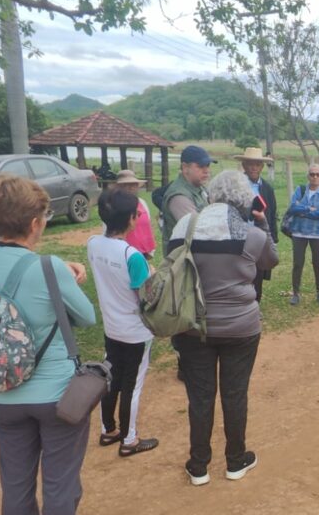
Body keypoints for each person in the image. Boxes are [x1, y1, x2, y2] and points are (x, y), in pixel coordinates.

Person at [0, 174, 96, 515]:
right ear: (36, 224)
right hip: (55, 395)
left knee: (15, 481)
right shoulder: (49, 268)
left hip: (1, 397)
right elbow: (86, 317)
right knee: (60, 482)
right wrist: (70, 274)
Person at [168, 170, 278, 486]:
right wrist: (263, 222)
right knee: (235, 393)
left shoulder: (184, 226)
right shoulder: (251, 234)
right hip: (240, 328)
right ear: (244, 199)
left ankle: (199, 465)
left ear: (210, 196)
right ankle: (235, 460)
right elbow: (269, 261)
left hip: (193, 326)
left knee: (200, 397)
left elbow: (173, 261)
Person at [87, 188, 159, 458]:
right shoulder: (133, 256)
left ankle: (109, 429)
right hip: (136, 332)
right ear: (131, 219)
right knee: (133, 385)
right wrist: (153, 274)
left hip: (112, 328)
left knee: (111, 380)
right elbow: (145, 295)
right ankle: (129, 439)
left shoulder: (93, 243)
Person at [234, 147, 279, 301]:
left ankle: (255, 304)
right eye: (250, 164)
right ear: (244, 165)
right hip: (240, 237)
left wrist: (273, 239)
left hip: (259, 237)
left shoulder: (267, 188)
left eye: (257, 164)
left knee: (258, 273)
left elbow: (272, 214)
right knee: (240, 273)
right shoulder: (236, 187)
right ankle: (242, 304)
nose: (254, 167)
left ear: (261, 166)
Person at [284, 164, 319, 305]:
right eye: (312, 174)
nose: (315, 177)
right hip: (299, 233)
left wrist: (302, 211)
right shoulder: (300, 189)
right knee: (297, 264)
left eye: (318, 174)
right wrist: (309, 209)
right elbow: (292, 208)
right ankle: (296, 294)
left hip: (318, 234)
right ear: (308, 176)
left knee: (318, 264)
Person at [160, 145, 213, 250]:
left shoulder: (200, 188)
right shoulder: (179, 196)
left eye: (207, 165)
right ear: (185, 168)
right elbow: (198, 231)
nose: (206, 170)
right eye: (200, 166)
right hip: (182, 261)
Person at [114, 169, 157, 260]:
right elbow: (109, 231)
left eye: (133, 184)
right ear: (119, 187)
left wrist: (150, 251)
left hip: (142, 252)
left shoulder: (142, 203)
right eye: (126, 185)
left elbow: (148, 225)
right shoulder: (113, 206)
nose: (131, 187)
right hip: (123, 253)